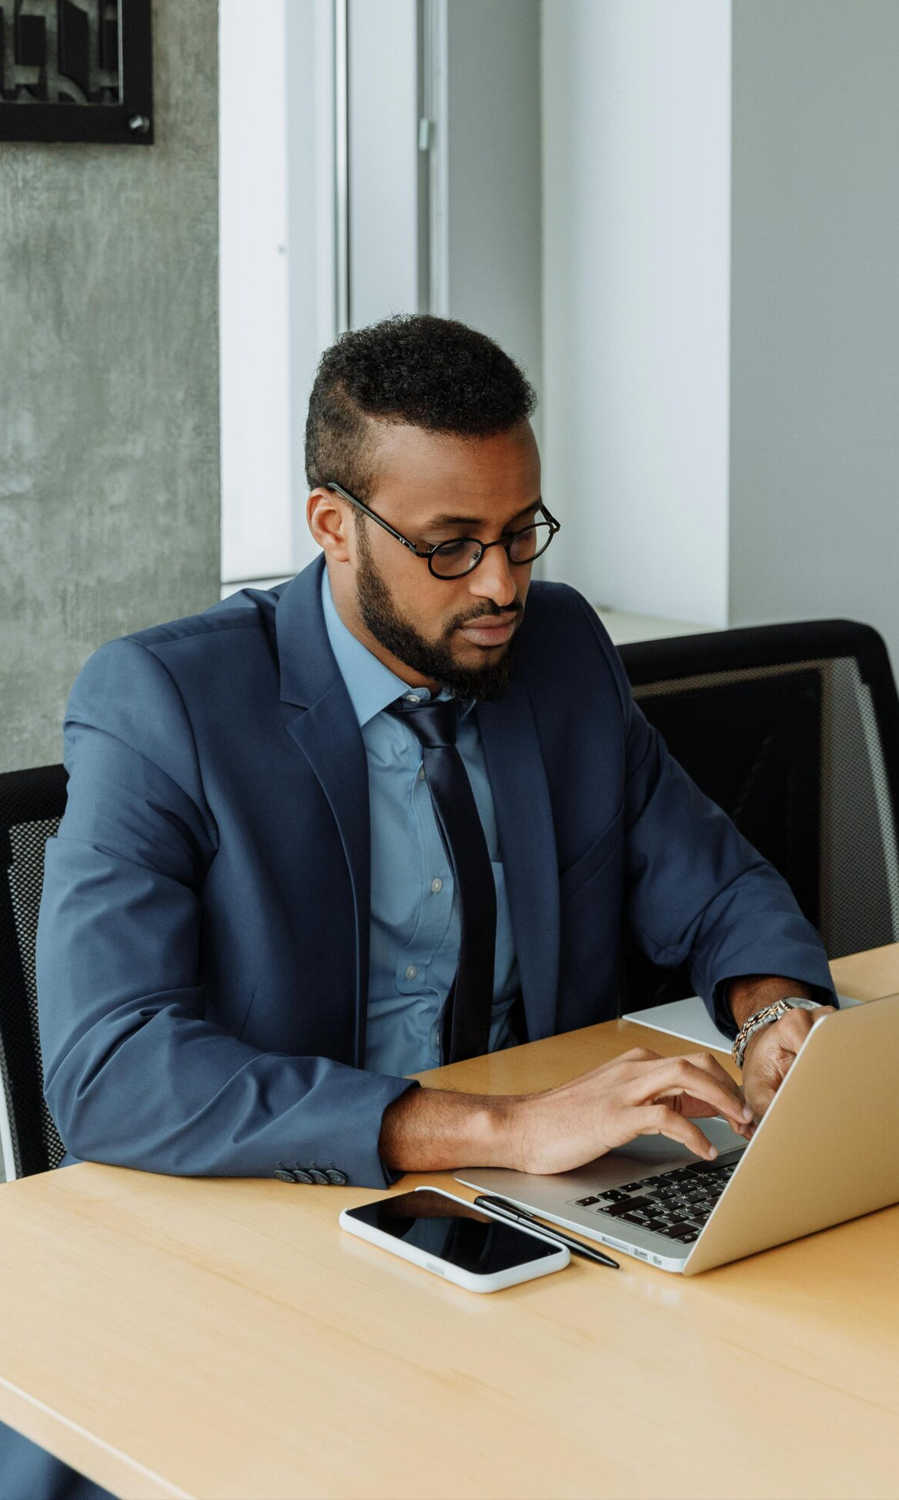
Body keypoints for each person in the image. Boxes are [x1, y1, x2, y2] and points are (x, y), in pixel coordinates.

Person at [2, 315, 835, 1500]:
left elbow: (715, 884)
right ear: (334, 525)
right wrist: (504, 1130)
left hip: (533, 1246)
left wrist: (771, 1013)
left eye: (519, 534)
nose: (501, 585)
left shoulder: (558, 651)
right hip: (282, 1239)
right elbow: (109, 1069)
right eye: (451, 546)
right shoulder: (164, 702)